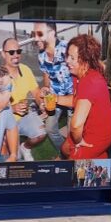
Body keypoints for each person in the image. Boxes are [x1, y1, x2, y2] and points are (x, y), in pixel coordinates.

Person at [60, 34, 111, 160]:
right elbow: (77, 101)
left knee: (73, 167)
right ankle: (99, 158)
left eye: (72, 58)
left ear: (85, 60)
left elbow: (76, 125)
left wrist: (78, 142)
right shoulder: (78, 75)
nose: (67, 61)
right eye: (68, 56)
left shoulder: (89, 81)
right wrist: (55, 98)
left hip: (97, 136)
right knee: (65, 149)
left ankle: (97, 159)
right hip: (88, 127)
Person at [0, 38, 47, 161]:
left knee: (41, 134)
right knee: (16, 157)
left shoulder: (25, 69)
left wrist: (41, 104)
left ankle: (25, 147)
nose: (16, 55)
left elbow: (36, 92)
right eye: (11, 52)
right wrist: (13, 108)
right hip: (6, 121)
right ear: (3, 54)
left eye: (18, 51)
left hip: (25, 115)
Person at [34, 22, 73, 151]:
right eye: (33, 34)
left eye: (39, 34)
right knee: (50, 129)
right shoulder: (41, 56)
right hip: (54, 98)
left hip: (73, 98)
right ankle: (65, 153)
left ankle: (73, 156)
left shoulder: (67, 49)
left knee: (73, 133)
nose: (35, 38)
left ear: (52, 33)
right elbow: (46, 74)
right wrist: (46, 88)